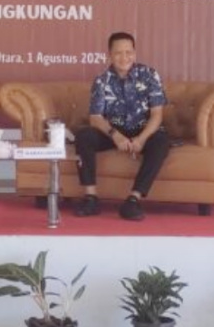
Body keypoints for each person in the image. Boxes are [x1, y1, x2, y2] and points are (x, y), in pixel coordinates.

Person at [73, 31, 172, 221]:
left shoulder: (149, 75)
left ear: (134, 53)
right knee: (84, 136)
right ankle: (91, 198)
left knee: (161, 141)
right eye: (118, 53)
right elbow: (96, 118)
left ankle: (133, 200)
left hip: (142, 129)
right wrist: (115, 135)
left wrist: (141, 139)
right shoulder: (101, 80)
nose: (124, 57)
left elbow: (157, 115)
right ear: (109, 55)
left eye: (128, 52)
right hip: (114, 131)